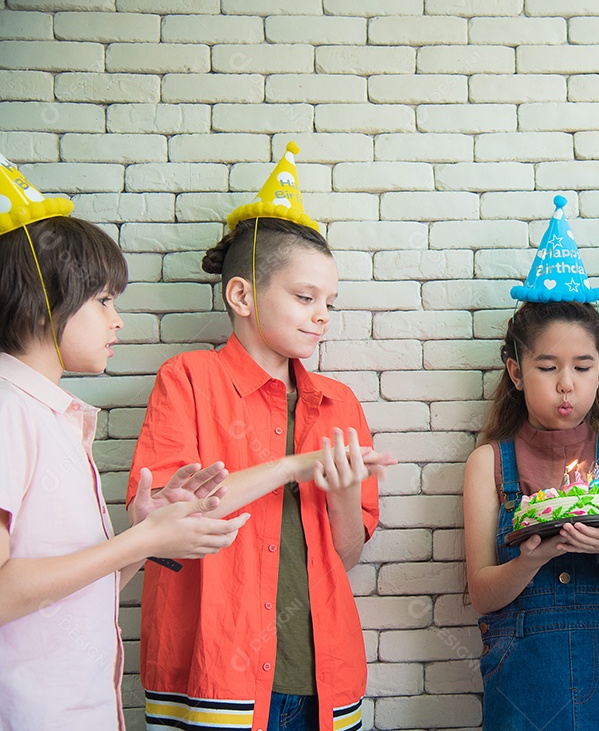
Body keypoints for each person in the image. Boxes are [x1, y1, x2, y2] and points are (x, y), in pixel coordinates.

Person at [128, 144, 395, 731]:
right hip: (213, 676)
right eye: (305, 297)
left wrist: (344, 492)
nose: (322, 315)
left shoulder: (340, 403)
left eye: (329, 302)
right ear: (242, 295)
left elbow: (346, 556)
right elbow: (166, 522)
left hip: (321, 679)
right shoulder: (187, 380)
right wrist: (295, 466)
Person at [0, 155, 249, 730]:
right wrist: (145, 538)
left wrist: (141, 539)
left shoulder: (53, 416)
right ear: (43, 300)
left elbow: (77, 592)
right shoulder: (9, 411)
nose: (117, 321)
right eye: (104, 300)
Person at [463, 197, 599, 730]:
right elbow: (482, 593)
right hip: (527, 674)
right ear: (516, 371)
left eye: (581, 367)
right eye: (547, 367)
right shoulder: (489, 463)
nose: (566, 384)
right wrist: (532, 559)